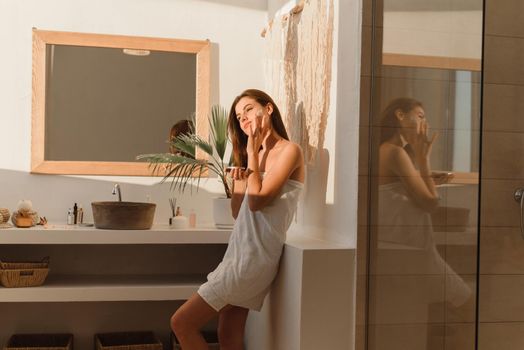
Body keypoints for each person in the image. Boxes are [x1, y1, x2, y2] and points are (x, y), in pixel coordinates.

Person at [170, 89, 305, 350]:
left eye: (249, 109)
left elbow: (258, 202)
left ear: (268, 109)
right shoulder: (250, 155)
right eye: (239, 115)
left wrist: (253, 151)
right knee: (228, 335)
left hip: (253, 259)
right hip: (239, 254)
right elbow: (238, 210)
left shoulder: (290, 151)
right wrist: (240, 174)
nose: (243, 118)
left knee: (181, 323)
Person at [376, 97, 470, 307]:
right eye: (420, 116)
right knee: (467, 302)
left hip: (405, 250)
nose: (424, 125)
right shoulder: (395, 152)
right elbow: (430, 203)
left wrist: (423, 176)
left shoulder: (383, 150)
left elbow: (403, 191)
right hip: (417, 254)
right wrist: (423, 159)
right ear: (400, 115)